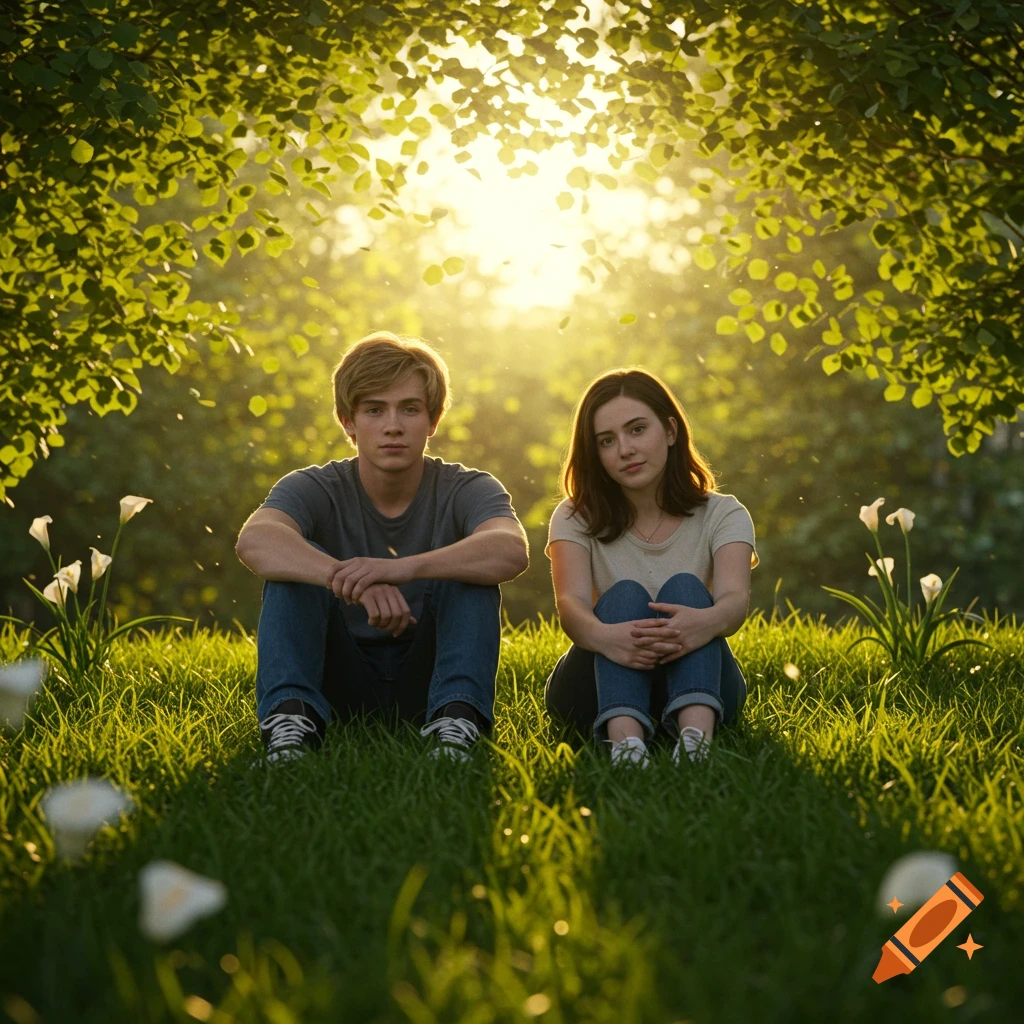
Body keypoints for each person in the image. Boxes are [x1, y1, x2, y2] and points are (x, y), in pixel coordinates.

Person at [235, 331, 529, 764]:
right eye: (375, 409)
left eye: (409, 409)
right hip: (336, 684)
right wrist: (352, 580)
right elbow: (255, 540)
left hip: (430, 682)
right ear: (348, 422)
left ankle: (456, 730)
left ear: (432, 421)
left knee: (469, 567)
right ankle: (290, 732)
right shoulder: (315, 485)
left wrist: (402, 568)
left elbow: (509, 549)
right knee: (294, 568)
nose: (393, 425)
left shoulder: (469, 486)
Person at [543, 368, 757, 768]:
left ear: (671, 431)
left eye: (637, 430)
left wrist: (702, 623)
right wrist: (607, 638)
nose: (624, 449)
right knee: (623, 594)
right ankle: (626, 747)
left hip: (701, 675)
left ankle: (696, 743)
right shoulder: (573, 516)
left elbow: (734, 601)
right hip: (595, 683)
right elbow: (570, 606)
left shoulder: (724, 514)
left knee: (686, 588)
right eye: (607, 441)